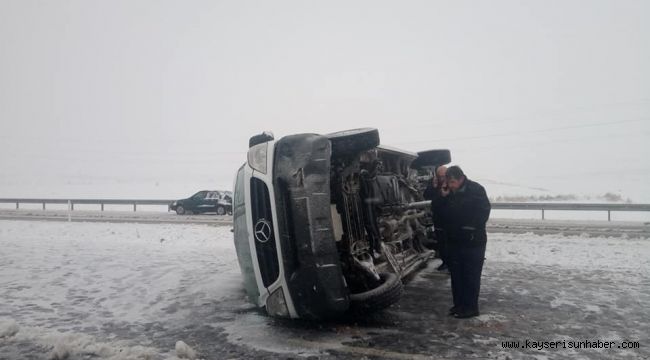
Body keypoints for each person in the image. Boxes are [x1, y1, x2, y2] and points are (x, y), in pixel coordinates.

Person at [441, 166, 491, 319]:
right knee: (457, 276)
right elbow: (440, 213)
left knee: (471, 276)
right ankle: (459, 305)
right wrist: (443, 197)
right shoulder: (449, 193)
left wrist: (469, 228)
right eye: (448, 182)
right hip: (455, 242)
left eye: (453, 182)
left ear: (461, 178)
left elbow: (483, 212)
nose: (450, 185)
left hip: (473, 242)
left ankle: (471, 308)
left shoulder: (476, 190)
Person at [424, 166, 449, 271]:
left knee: (450, 242)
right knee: (441, 242)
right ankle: (445, 262)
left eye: (443, 176)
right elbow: (426, 196)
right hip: (438, 218)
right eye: (440, 176)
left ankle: (452, 263)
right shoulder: (434, 184)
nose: (441, 178)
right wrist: (433, 187)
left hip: (450, 218)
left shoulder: (451, 183)